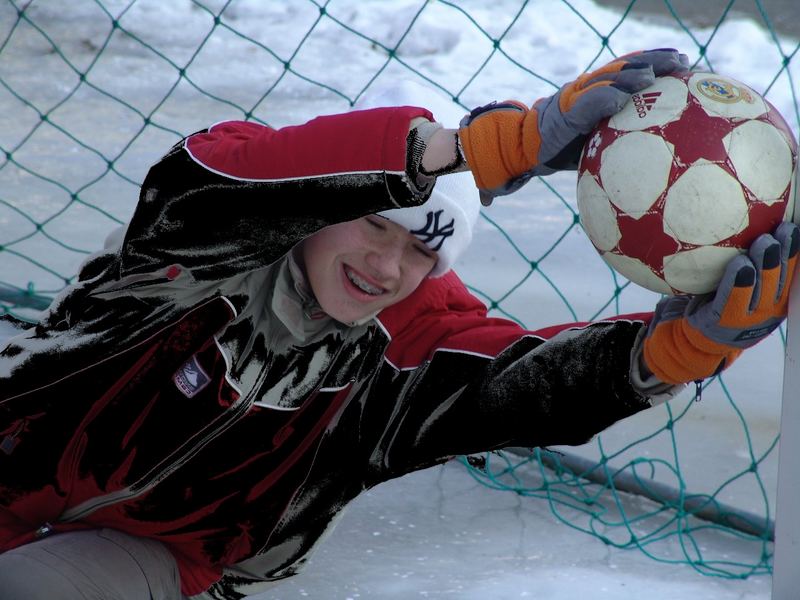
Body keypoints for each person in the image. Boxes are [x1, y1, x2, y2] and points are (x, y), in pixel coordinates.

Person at [0, 49, 796, 599]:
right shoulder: (191, 251)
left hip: (162, 558)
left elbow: (519, 387)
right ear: (324, 206)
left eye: (419, 252)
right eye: (374, 226)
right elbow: (226, 168)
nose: (386, 267)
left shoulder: (398, 358)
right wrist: (479, 151)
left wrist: (677, 348)